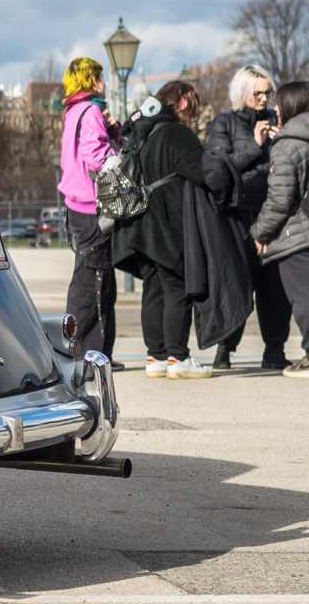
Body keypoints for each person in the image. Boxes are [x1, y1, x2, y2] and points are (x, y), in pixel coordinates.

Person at [112, 80, 211, 378]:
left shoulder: (143, 132)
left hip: (139, 224)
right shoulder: (178, 134)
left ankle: (155, 357)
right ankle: (178, 358)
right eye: (193, 104)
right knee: (177, 287)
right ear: (181, 101)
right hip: (167, 223)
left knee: (153, 290)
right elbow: (201, 172)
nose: (193, 111)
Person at [205, 65, 289, 368]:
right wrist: (256, 145)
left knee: (274, 286)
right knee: (236, 281)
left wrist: (282, 140)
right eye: (257, 92)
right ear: (242, 93)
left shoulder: (278, 121)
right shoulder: (224, 123)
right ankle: (224, 348)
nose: (264, 98)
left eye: (268, 92)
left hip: (274, 211)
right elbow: (219, 168)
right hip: (238, 214)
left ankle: (275, 350)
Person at [57, 57, 120, 365]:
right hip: (91, 206)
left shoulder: (73, 111)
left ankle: (99, 353)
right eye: (101, 77)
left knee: (100, 280)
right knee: (91, 281)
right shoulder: (91, 110)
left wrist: (113, 129)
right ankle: (78, 351)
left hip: (76, 204)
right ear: (93, 80)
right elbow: (95, 155)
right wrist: (119, 163)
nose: (104, 82)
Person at [252, 81, 309, 377]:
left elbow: (278, 200)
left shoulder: (287, 144)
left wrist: (259, 233)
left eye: (278, 104)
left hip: (296, 236)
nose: (274, 109)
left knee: (303, 298)